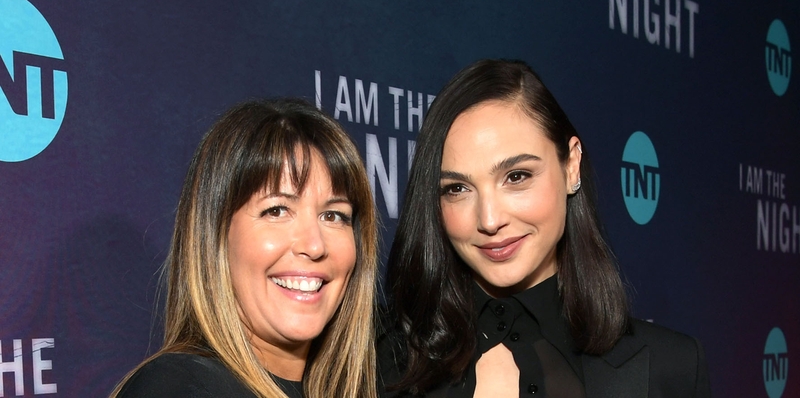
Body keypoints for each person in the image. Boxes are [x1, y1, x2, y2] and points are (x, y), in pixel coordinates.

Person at [379, 60, 710, 397]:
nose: (489, 220)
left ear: (571, 165)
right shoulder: (378, 361)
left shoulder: (671, 368)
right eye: (457, 189)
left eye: (516, 176)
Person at [111, 98, 379, 398]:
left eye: (333, 216)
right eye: (276, 211)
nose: (314, 245)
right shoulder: (178, 389)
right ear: (215, 236)